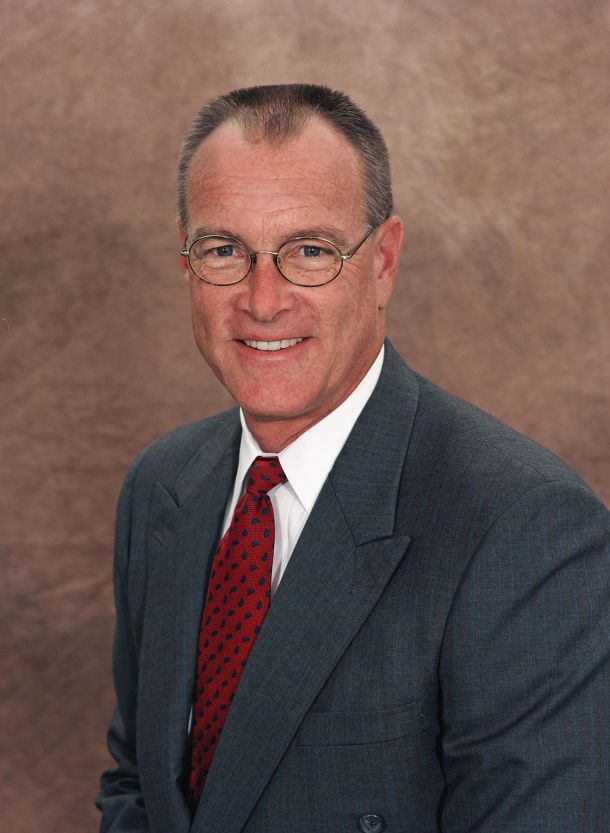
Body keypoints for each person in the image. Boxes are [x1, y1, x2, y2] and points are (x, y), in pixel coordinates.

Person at [96, 84, 610, 833]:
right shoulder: (162, 485)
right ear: (187, 262)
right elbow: (137, 782)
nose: (263, 300)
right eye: (224, 250)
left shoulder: (526, 531)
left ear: (384, 262)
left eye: (310, 251)